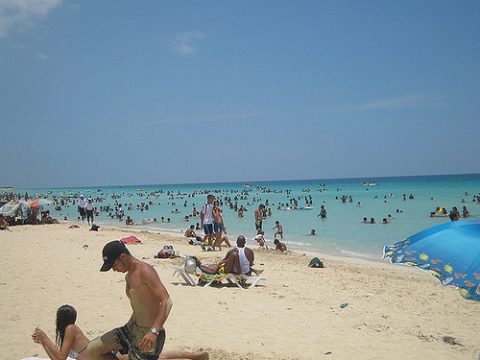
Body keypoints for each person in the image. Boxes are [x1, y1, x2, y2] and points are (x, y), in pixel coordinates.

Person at [86, 240, 172, 360]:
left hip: (149, 334)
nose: (113, 269)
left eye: (114, 265)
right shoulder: (128, 276)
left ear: (123, 257)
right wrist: (129, 324)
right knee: (92, 349)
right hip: (131, 329)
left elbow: (166, 301)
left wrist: (154, 331)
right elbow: (139, 306)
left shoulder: (145, 271)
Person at [31, 304, 209, 360]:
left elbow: (61, 358)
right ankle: (194, 356)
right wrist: (44, 342)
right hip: (104, 355)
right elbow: (57, 358)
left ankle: (194, 356)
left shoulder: (70, 329)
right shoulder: (68, 332)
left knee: (155, 357)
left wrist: (45, 339)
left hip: (107, 356)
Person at [196, 235, 263, 276]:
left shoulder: (233, 251)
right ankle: (255, 271)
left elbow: (226, 260)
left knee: (216, 266)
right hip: (247, 272)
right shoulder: (250, 251)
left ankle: (203, 266)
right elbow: (251, 263)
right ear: (245, 243)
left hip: (236, 272)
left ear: (236, 242)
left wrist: (220, 264)